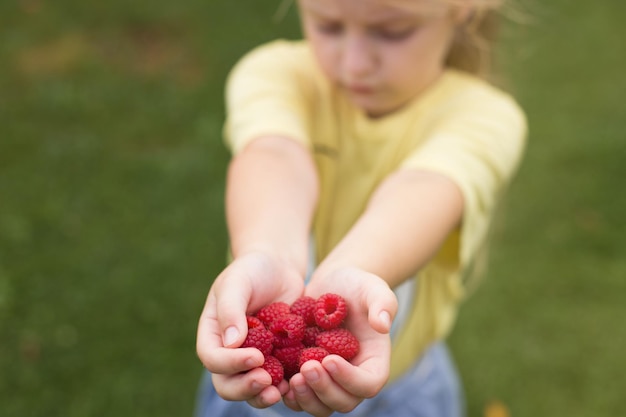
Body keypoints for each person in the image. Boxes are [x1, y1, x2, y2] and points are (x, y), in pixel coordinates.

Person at [195, 0, 527, 415]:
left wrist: (354, 271)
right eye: (329, 26)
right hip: (263, 382)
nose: (354, 64)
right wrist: (269, 253)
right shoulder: (274, 75)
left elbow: (423, 189)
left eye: (392, 32)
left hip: (405, 390)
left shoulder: (485, 116)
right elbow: (275, 155)